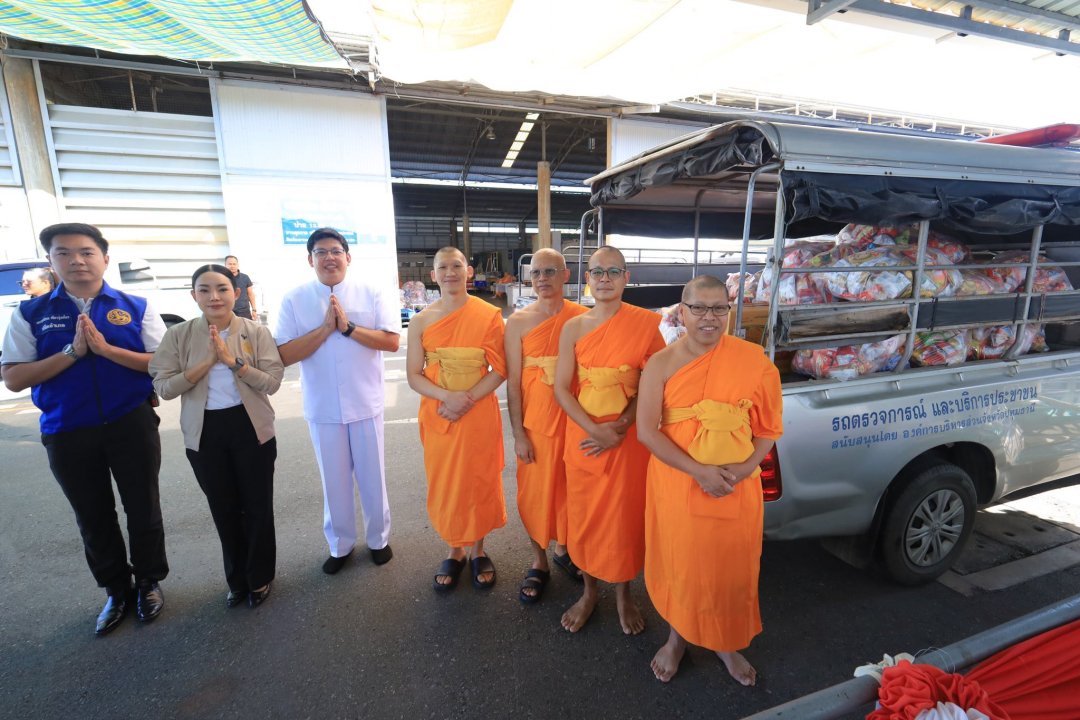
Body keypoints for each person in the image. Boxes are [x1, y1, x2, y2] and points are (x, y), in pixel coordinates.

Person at [1, 222, 168, 636]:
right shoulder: (31, 314)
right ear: (50, 261)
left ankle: (149, 582)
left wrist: (107, 350)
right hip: (67, 428)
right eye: (64, 253)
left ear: (104, 259)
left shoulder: (136, 306)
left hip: (130, 421)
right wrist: (72, 352)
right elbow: (14, 378)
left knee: (143, 507)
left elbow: (163, 362)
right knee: (93, 516)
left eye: (86, 252)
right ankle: (116, 590)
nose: (76, 260)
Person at [636, 274, 783, 685]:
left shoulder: (753, 360)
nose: (709, 317)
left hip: (736, 487)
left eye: (719, 308)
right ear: (682, 312)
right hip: (679, 485)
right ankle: (677, 639)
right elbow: (646, 431)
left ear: (728, 312)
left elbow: (768, 428)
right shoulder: (661, 363)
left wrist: (745, 468)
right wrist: (699, 471)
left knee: (729, 568)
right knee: (684, 566)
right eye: (698, 308)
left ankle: (725, 642)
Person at [150, 264, 283, 610]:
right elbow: (164, 387)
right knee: (224, 508)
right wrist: (206, 363)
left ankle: (259, 576)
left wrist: (233, 362)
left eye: (222, 289)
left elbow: (272, 382)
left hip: (251, 427)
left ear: (235, 293)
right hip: (205, 432)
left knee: (257, 506)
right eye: (205, 290)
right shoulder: (178, 336)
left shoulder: (255, 331)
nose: (214, 297)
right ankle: (237, 580)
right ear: (193, 296)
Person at [553, 245, 665, 634]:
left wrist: (621, 425)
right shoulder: (573, 327)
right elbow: (561, 389)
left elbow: (654, 382)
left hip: (627, 439)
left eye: (613, 271)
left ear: (626, 278)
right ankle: (588, 591)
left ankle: (623, 593)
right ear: (587, 279)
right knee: (585, 516)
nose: (605, 279)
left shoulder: (645, 324)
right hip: (584, 436)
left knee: (623, 518)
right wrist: (594, 429)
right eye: (597, 272)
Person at [274, 228, 399, 574]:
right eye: (321, 252)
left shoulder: (371, 291)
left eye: (335, 251)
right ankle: (340, 545)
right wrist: (324, 329)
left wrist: (348, 328)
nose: (329, 257)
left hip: (365, 400)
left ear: (348, 257)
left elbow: (391, 342)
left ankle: (379, 540)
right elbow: (284, 354)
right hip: (323, 406)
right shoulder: (294, 299)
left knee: (373, 477)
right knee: (334, 481)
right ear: (310, 259)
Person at [406, 246, 507, 592]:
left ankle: (478, 549)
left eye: (456, 266)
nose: (450, 272)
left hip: (477, 412)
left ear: (469, 271)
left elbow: (501, 369)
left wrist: (466, 399)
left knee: (477, 478)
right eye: (443, 267)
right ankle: (455, 549)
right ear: (432, 275)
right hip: (439, 413)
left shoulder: (488, 315)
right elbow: (414, 375)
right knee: (447, 482)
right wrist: (446, 397)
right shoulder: (421, 320)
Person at [504, 248, 587, 603]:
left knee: (571, 491)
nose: (542, 279)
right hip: (536, 423)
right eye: (536, 272)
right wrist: (518, 434)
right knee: (534, 494)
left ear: (565, 275)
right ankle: (539, 560)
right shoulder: (518, 321)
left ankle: (564, 548)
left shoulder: (582, 317)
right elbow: (513, 382)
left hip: (575, 420)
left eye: (550, 271)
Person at [224, 255, 257, 320]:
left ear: (237, 265)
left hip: (244, 313)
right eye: (230, 264)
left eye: (234, 264)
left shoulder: (245, 277)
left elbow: (251, 294)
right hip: (228, 312)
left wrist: (254, 310)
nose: (232, 266)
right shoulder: (222, 278)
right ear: (225, 265)